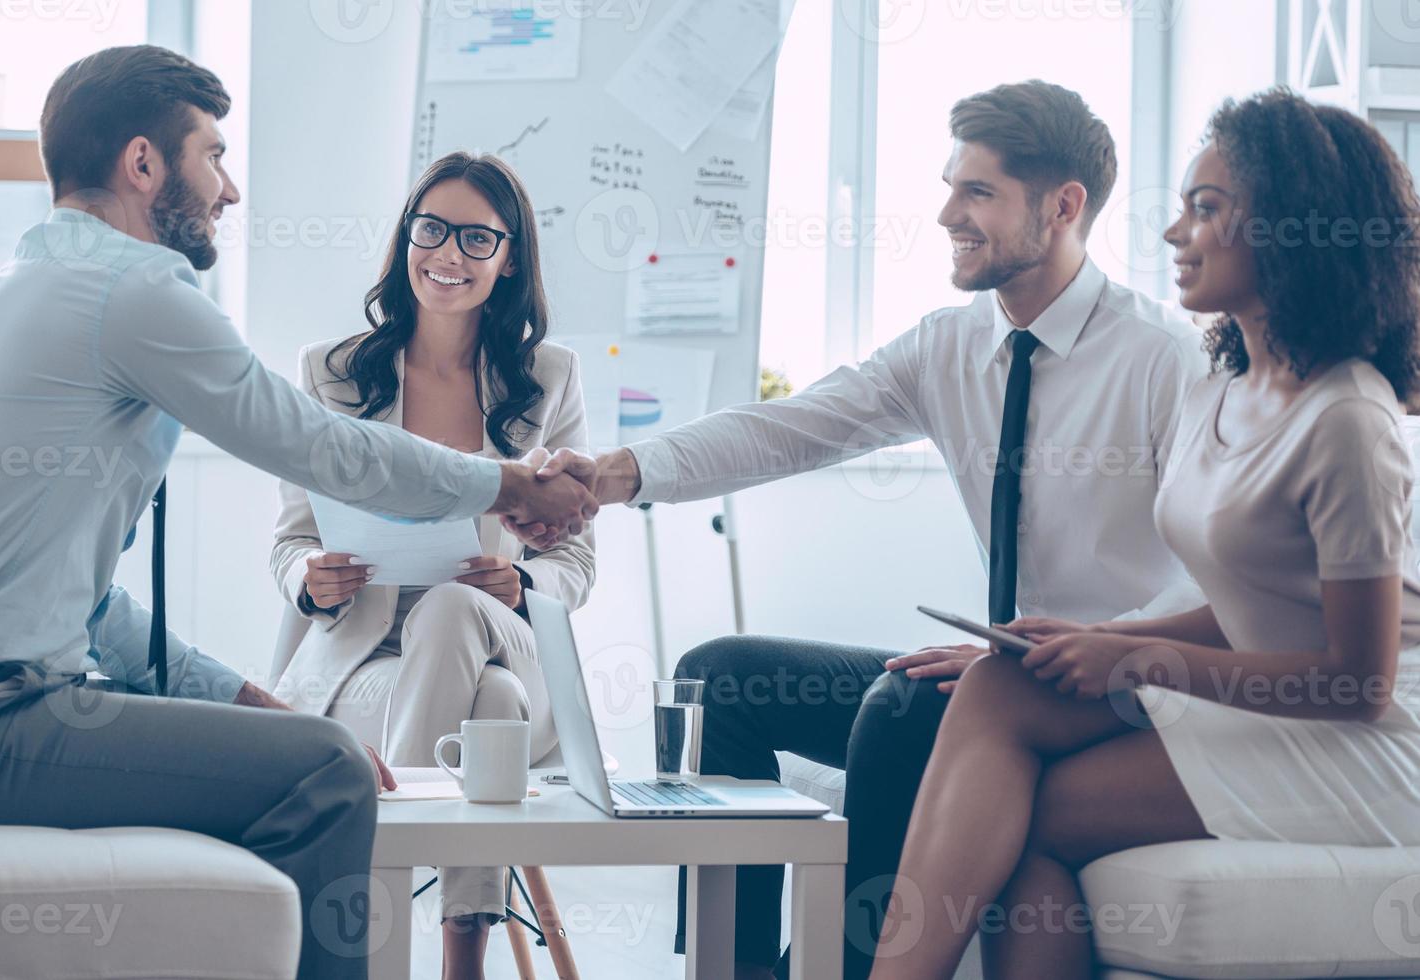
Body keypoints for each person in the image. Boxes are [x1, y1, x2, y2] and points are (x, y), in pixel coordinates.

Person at [529, 80, 1206, 980]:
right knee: (720, 678)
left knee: (903, 704)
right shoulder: (947, 347)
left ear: (1063, 205)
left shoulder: (1164, 361)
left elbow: (1213, 577)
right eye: (947, 185)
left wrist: (1040, 659)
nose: (944, 215)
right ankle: (739, 971)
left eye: (976, 193)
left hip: (1113, 694)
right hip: (1000, 673)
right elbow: (790, 428)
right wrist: (614, 475)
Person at [0, 46, 592, 980]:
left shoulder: (9, 293)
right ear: (143, 164)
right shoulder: (132, 291)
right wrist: (508, 484)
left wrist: (247, 698)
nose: (231, 188)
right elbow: (317, 447)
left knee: (317, 741)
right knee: (326, 770)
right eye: (212, 155)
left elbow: (83, 606)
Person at [866, 87, 1420, 980]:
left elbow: (1358, 681)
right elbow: (1255, 606)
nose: (1173, 234)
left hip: (1373, 744)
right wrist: (1106, 637)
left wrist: (1135, 661)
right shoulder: (1223, 383)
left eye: (1205, 209)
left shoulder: (1346, 417)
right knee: (1001, 688)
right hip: (1271, 700)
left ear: (1289, 229)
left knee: (1024, 816)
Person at [270, 150, 593, 978]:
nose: (448, 254)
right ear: (405, 238)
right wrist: (308, 578)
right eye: (431, 229)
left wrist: (522, 585)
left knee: (458, 612)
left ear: (510, 256)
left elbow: (579, 561)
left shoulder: (548, 379)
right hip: (370, 648)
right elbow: (290, 538)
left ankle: (375, 918)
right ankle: (463, 966)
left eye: (476, 239)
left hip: (500, 630)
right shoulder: (333, 373)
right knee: (494, 705)